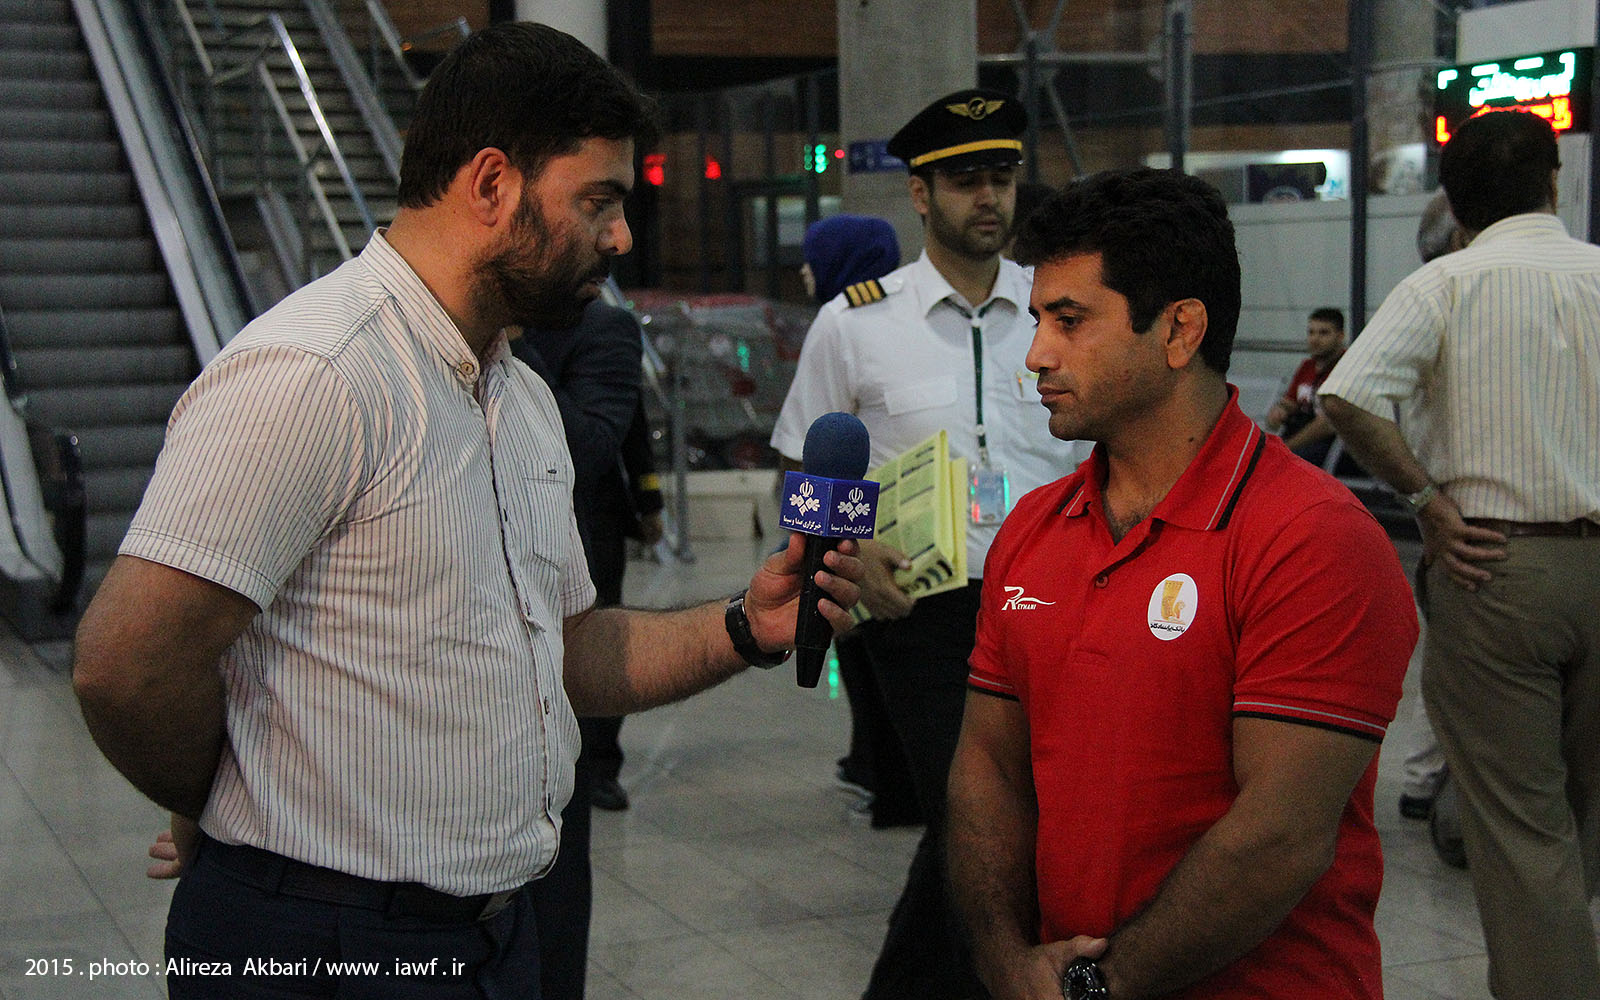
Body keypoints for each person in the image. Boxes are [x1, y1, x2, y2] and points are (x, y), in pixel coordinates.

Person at [70, 22, 861, 1000]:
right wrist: (223, 798)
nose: (621, 236)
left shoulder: (518, 396)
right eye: (598, 201)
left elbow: (565, 648)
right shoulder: (316, 374)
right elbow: (125, 664)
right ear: (492, 185)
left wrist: (745, 626)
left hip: (495, 935)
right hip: (321, 943)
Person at [947, 167, 1417, 1000]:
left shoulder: (1313, 539)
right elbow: (989, 766)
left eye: (1069, 321)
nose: (1037, 354)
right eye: (1037, 320)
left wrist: (1101, 986)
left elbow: (1279, 837)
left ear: (1179, 330)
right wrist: (1006, 961)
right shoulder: (1032, 530)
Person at [770, 89, 1080, 1000]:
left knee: (1007, 824)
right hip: (924, 608)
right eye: (965, 180)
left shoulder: (1059, 311)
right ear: (920, 194)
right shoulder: (857, 322)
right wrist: (845, 552)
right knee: (972, 818)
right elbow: (801, 473)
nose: (988, 197)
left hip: (1054, 600)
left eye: (1002, 177)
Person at [1322, 109, 1600, 1000]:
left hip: (1496, 568)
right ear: (1555, 181)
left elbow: (1348, 395)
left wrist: (1424, 502)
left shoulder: (1444, 284)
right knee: (1579, 815)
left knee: (1523, 828)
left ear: (1451, 199)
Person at [509, 298, 657, 1000]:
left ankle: (599, 764)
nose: (618, 244)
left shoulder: (601, 329)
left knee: (586, 656)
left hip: (585, 531)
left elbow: (606, 440)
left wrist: (514, 347)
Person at [792, 213, 919, 826]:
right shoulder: (843, 324)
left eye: (814, 259)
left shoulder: (870, 325)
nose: (803, 271)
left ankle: (887, 777)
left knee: (877, 673)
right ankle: (872, 765)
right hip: (852, 544)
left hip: (899, 548)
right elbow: (806, 450)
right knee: (862, 669)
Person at [1264, 307, 1345, 466]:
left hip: (1332, 446)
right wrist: (1279, 411)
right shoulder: (1307, 367)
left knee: (1280, 463)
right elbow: (1289, 402)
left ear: (1340, 336)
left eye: (1323, 333)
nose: (1315, 339)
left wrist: (1287, 447)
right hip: (1301, 439)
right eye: (1311, 332)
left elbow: (1327, 425)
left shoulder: (1346, 369)